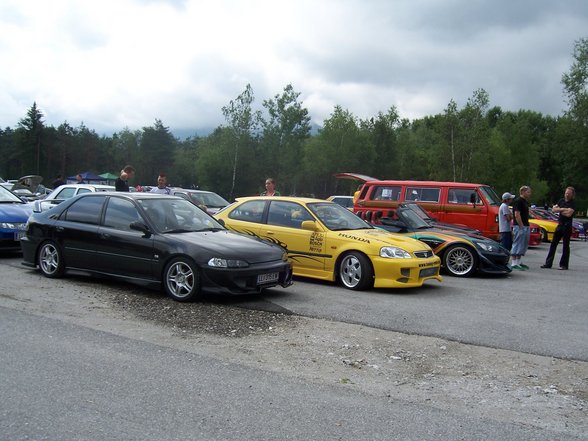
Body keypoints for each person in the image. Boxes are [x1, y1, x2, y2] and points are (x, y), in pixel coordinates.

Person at [541, 186, 576, 270]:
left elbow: (569, 214)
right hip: (559, 225)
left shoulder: (573, 203)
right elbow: (553, 210)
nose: (567, 195)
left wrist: (559, 210)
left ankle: (564, 265)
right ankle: (548, 263)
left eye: (569, 193)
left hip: (567, 226)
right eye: (566, 193)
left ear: (572, 195)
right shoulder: (561, 201)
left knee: (565, 245)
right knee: (553, 244)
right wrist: (563, 209)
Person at [510, 186, 532, 270]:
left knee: (523, 244)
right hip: (519, 226)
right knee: (517, 242)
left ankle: (519, 261)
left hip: (525, 225)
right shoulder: (518, 201)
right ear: (522, 192)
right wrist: (521, 226)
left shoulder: (525, 202)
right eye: (528, 192)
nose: (529, 194)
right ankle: (514, 262)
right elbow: (517, 214)